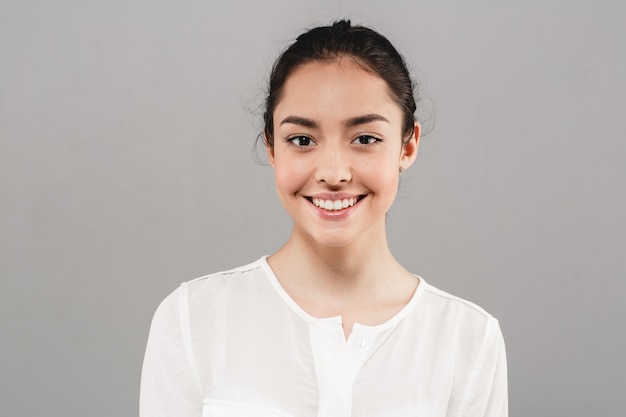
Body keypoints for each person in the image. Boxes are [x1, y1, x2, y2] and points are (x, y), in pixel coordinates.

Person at [140, 20, 508, 417]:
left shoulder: (467, 340)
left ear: (408, 146)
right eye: (302, 140)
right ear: (272, 146)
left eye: (365, 139)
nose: (333, 173)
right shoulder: (193, 321)